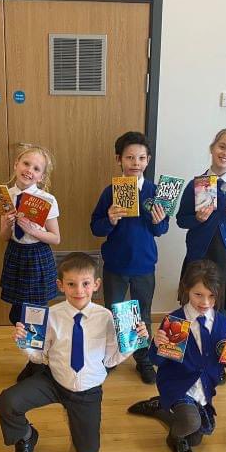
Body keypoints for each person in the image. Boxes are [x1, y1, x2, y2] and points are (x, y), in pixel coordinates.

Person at [0, 252, 148, 452]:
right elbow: (42, 357)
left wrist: (133, 342)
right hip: (54, 381)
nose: (79, 290)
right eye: (71, 284)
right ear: (60, 285)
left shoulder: (107, 318)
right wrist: (25, 343)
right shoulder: (51, 315)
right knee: (7, 401)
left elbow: (111, 359)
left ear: (96, 285)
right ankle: (26, 437)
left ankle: (77, 415)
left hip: (87, 390)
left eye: (85, 283)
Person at [148, 260, 226, 452]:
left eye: (211, 296)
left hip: (204, 386)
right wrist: (158, 345)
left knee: (196, 437)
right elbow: (157, 361)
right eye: (198, 295)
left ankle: (160, 408)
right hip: (177, 383)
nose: (205, 302)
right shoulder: (175, 320)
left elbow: (224, 360)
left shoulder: (223, 322)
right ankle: (173, 437)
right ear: (186, 290)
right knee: (190, 422)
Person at [90, 131, 169, 384]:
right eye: (130, 157)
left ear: (148, 160)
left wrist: (159, 221)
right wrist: (110, 219)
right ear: (119, 159)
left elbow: (161, 230)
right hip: (115, 264)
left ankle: (143, 360)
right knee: (115, 312)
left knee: (143, 313)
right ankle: (113, 355)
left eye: (141, 158)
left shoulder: (157, 191)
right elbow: (96, 227)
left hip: (144, 264)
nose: (136, 163)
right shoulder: (109, 191)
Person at [176, 128, 226, 314]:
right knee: (194, 305)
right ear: (212, 148)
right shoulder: (197, 184)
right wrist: (197, 219)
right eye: (222, 146)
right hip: (200, 255)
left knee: (220, 307)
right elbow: (181, 220)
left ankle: (217, 341)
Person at [0, 146, 60, 382]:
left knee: (36, 314)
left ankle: (39, 364)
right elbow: (3, 237)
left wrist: (34, 230)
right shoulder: (6, 195)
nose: (29, 170)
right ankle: (35, 357)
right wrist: (6, 224)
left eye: (36, 168)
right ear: (16, 165)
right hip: (15, 255)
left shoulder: (46, 199)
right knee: (17, 315)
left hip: (37, 256)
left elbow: (56, 238)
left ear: (41, 176)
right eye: (26, 164)